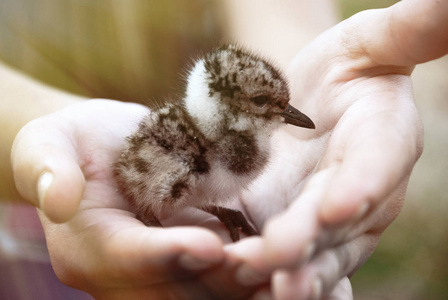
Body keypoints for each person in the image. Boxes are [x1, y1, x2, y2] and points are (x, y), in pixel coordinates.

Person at [1, 0, 447, 299]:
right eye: (261, 105)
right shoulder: (205, 143)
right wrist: (41, 121)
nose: (288, 116)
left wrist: (317, 70)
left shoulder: (235, 137)